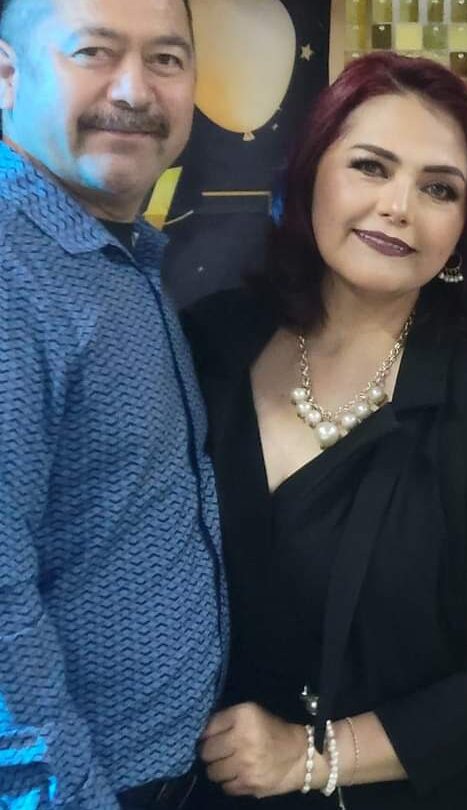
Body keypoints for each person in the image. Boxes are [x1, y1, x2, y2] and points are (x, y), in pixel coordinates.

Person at [181, 51, 467, 810]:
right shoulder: (210, 344)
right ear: (311, 176)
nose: (399, 206)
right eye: (370, 166)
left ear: (463, 228)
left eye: (438, 188)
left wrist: (313, 756)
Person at [0, 0, 225, 809]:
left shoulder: (108, 252)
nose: (134, 90)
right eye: (94, 52)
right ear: (6, 74)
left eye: (166, 59)